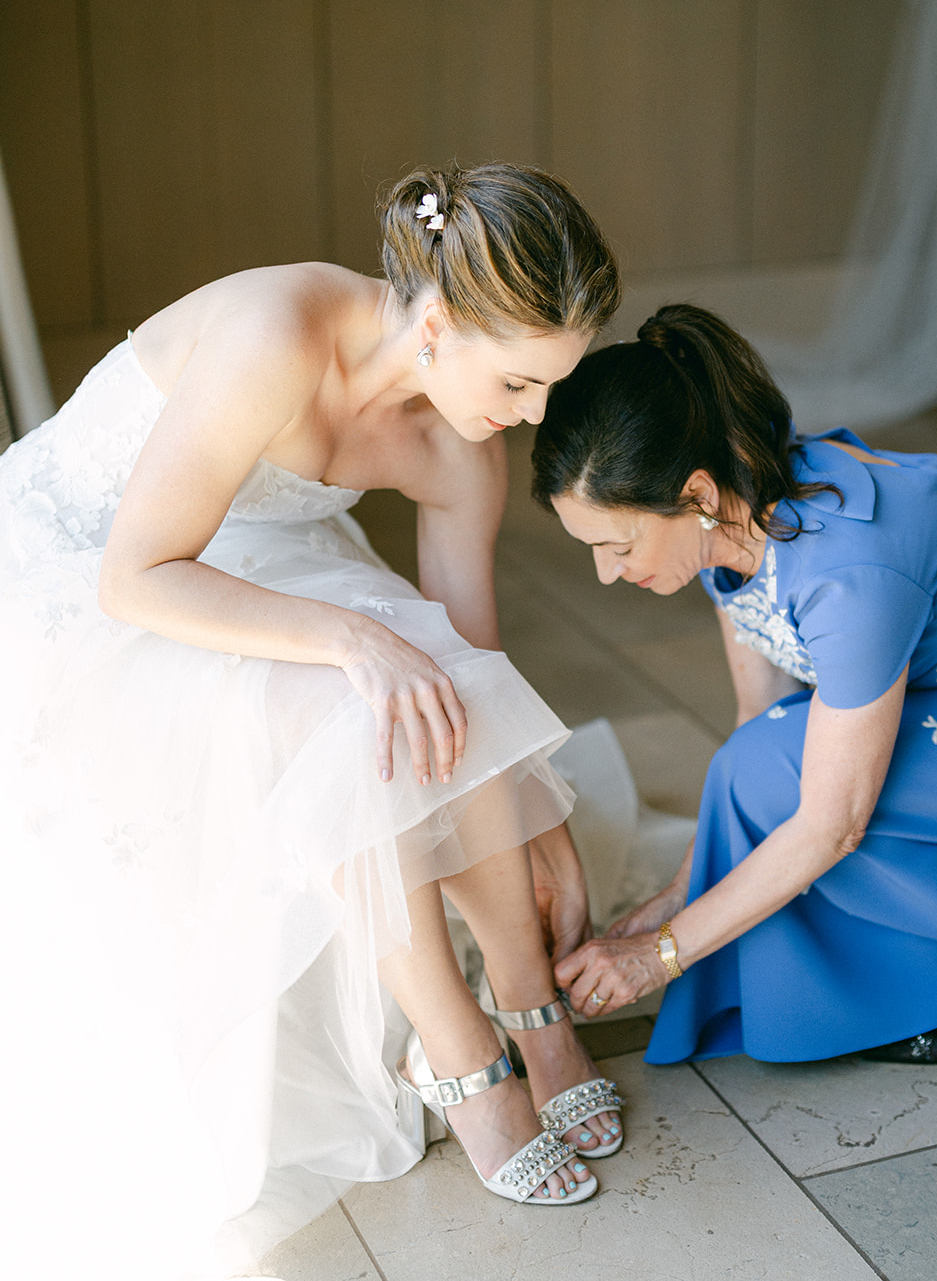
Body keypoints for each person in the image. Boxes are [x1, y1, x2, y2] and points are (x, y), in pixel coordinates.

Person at [0, 164, 624, 1280]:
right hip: (81, 579)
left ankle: (533, 1008)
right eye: (522, 382)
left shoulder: (460, 449)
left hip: (240, 558)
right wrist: (349, 638)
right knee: (358, 699)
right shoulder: (273, 334)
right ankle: (461, 1054)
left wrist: (541, 813)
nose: (533, 417)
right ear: (438, 321)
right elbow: (133, 576)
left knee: (443, 685)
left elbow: (478, 661)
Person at [530, 302, 937, 1068]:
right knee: (761, 759)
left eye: (616, 544)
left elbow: (829, 822)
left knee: (786, 776)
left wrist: (660, 954)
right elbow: (759, 718)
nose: (606, 573)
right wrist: (675, 900)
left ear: (697, 494)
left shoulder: (847, 571)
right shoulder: (737, 520)